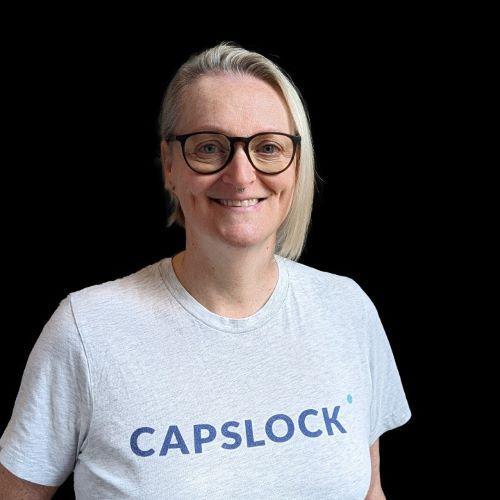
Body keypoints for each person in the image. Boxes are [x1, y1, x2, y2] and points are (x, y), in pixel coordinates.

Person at [0, 41, 412, 499]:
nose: (240, 175)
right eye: (210, 147)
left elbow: (370, 489)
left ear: (296, 165)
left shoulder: (346, 309)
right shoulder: (88, 330)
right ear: (170, 165)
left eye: (269, 147)